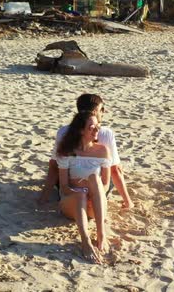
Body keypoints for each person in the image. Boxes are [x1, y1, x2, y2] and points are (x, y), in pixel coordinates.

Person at [38, 94, 134, 209]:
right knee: (109, 170)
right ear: (94, 112)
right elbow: (115, 170)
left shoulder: (63, 131)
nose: (103, 111)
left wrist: (44, 197)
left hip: (70, 188)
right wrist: (128, 201)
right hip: (96, 189)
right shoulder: (105, 133)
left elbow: (54, 165)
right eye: (101, 109)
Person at [56, 111, 110, 263]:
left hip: (94, 206)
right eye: (91, 127)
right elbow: (64, 188)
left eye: (98, 127)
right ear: (80, 130)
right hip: (72, 204)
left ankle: (101, 233)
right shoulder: (68, 151)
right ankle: (85, 241)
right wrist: (81, 191)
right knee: (80, 193)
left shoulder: (102, 150)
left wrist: (92, 196)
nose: (96, 130)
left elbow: (105, 185)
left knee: (94, 178)